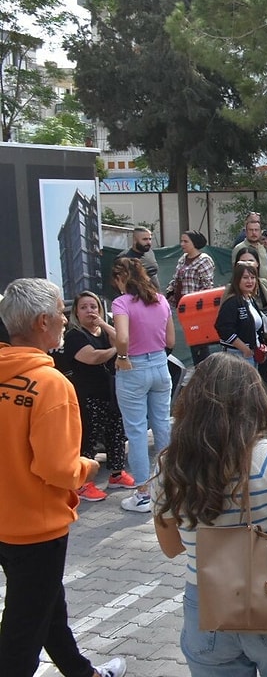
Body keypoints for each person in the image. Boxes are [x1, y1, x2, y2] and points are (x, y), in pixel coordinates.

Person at [152, 354, 267, 677]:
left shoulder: (167, 466)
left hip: (205, 604)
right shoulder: (266, 456)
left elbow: (171, 547)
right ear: (252, 402)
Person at [0, 279, 128, 677]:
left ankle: (83, 672)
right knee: (22, 633)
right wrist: (89, 467)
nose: (63, 320)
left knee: (46, 609)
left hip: (6, 522)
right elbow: (58, 470)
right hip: (37, 527)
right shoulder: (51, 384)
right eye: (59, 312)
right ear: (42, 321)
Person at [110, 257, 175, 513]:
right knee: (162, 427)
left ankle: (142, 494)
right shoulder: (160, 300)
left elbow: (122, 337)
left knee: (136, 432)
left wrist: (122, 356)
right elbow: (170, 339)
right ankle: (169, 488)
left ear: (120, 278)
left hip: (133, 368)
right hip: (160, 364)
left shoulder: (121, 302)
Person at [64, 291, 133, 501]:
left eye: (93, 306)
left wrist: (103, 324)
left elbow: (122, 339)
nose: (89, 311)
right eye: (84, 307)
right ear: (76, 312)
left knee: (116, 433)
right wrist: (116, 350)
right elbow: (93, 357)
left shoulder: (102, 330)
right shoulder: (74, 335)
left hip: (110, 392)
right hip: (88, 395)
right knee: (89, 439)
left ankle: (116, 473)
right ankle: (83, 484)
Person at [166, 230, 216, 364]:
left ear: (195, 243)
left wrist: (198, 305)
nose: (182, 244)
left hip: (196, 308)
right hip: (181, 306)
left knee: (199, 342)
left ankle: (203, 371)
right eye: (181, 241)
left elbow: (207, 286)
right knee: (191, 340)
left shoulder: (204, 260)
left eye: (186, 241)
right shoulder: (183, 259)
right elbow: (175, 279)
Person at [215, 262, 267, 367]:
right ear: (237, 280)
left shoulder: (250, 299)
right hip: (236, 355)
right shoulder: (232, 301)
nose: (250, 281)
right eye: (245, 277)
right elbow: (223, 328)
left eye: (252, 277)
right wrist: (245, 349)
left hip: (252, 353)